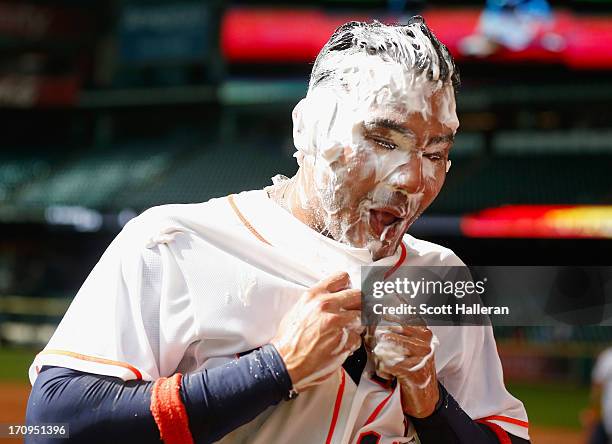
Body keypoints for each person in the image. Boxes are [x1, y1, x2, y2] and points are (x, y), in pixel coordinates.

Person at [26, 17, 530, 444]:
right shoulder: (174, 241)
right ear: (307, 128)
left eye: (436, 153)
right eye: (382, 138)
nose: (414, 178)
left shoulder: (441, 278)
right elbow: (53, 423)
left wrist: (429, 399)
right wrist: (276, 368)